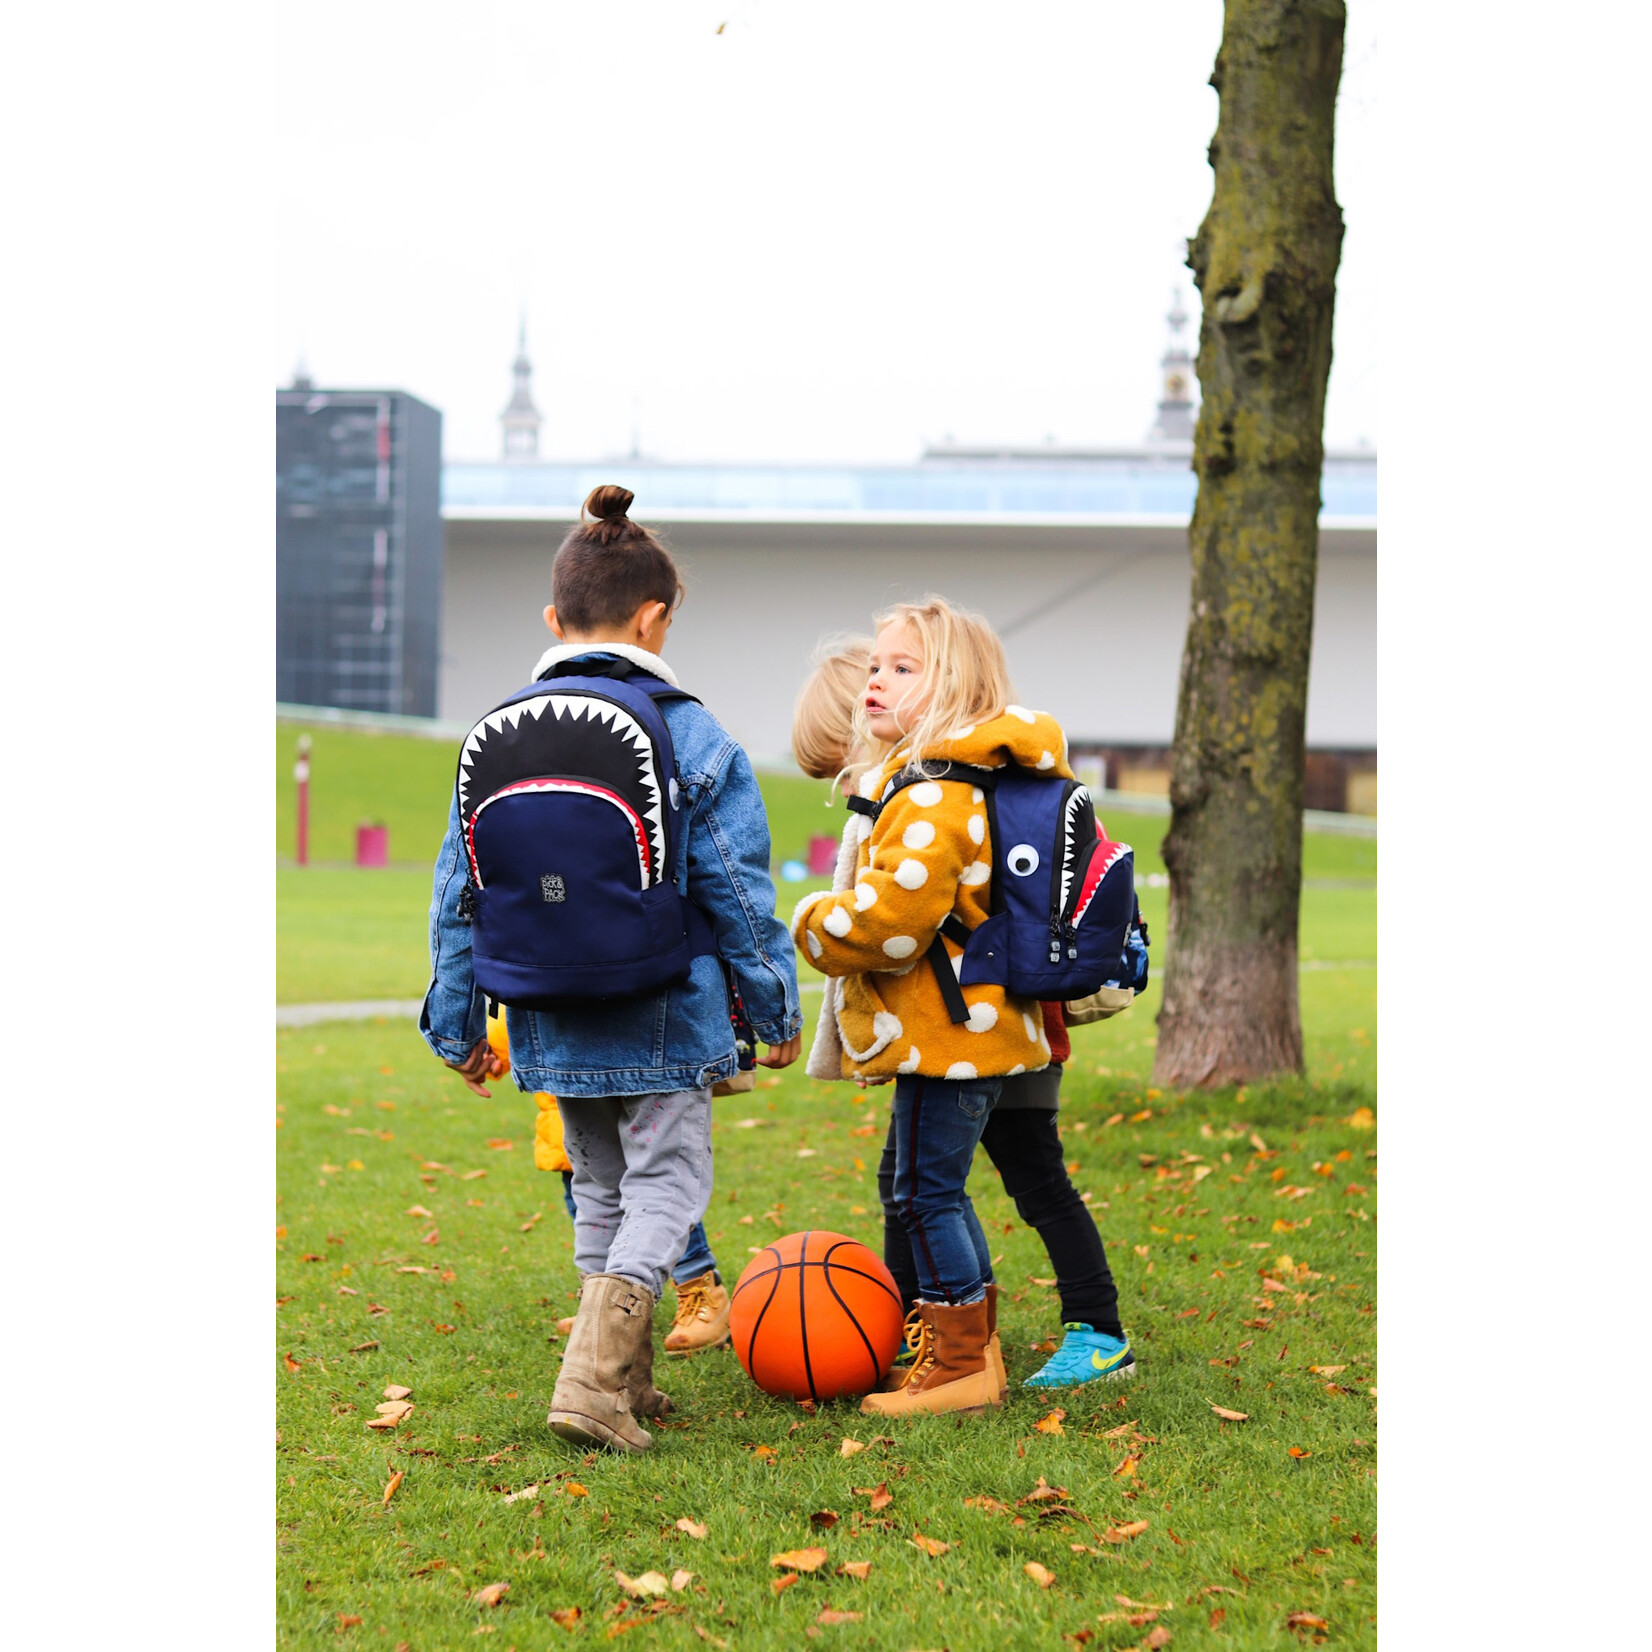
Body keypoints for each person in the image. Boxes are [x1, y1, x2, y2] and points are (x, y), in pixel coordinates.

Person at [422, 485, 801, 1453]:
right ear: (655, 618)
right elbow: (734, 888)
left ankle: (625, 1378)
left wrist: (455, 1022)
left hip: (542, 1003)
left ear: (551, 621)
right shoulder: (689, 731)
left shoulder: (495, 732)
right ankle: (593, 1379)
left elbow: (457, 889)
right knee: (669, 1181)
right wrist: (772, 1005)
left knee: (599, 1187)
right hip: (661, 997)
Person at [790, 641, 1133, 1392]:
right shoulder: (941, 780)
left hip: (985, 1026)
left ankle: (1084, 1329)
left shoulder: (934, 790)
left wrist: (815, 921)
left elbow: (899, 918)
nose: (844, 786)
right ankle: (923, 1323)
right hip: (991, 1024)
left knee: (1009, 1179)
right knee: (910, 1179)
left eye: (840, 766)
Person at [483, 1008, 734, 1356]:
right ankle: (601, 1307)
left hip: (628, 1077)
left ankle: (700, 1291)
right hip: (564, 1102)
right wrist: (488, 1046)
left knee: (655, 1197)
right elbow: (508, 1015)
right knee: (588, 1202)